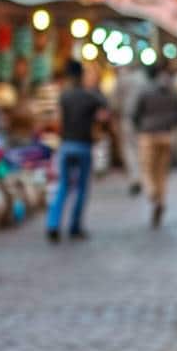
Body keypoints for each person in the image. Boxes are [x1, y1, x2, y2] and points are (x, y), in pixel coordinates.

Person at [47, 59, 108, 242]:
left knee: (63, 187)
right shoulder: (89, 96)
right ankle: (74, 227)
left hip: (66, 146)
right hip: (83, 146)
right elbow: (105, 109)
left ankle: (53, 224)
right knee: (81, 188)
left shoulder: (64, 95)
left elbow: (57, 119)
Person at [132, 62, 177, 227]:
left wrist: (141, 127)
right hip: (166, 134)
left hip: (147, 134)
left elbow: (135, 113)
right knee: (162, 172)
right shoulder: (171, 91)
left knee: (147, 169)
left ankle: (152, 193)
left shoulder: (144, 91)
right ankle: (160, 200)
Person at [113, 62, 147, 195]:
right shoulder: (143, 79)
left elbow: (114, 102)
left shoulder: (122, 79)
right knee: (140, 148)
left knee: (129, 149)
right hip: (143, 120)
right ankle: (142, 177)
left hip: (127, 118)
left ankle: (135, 177)